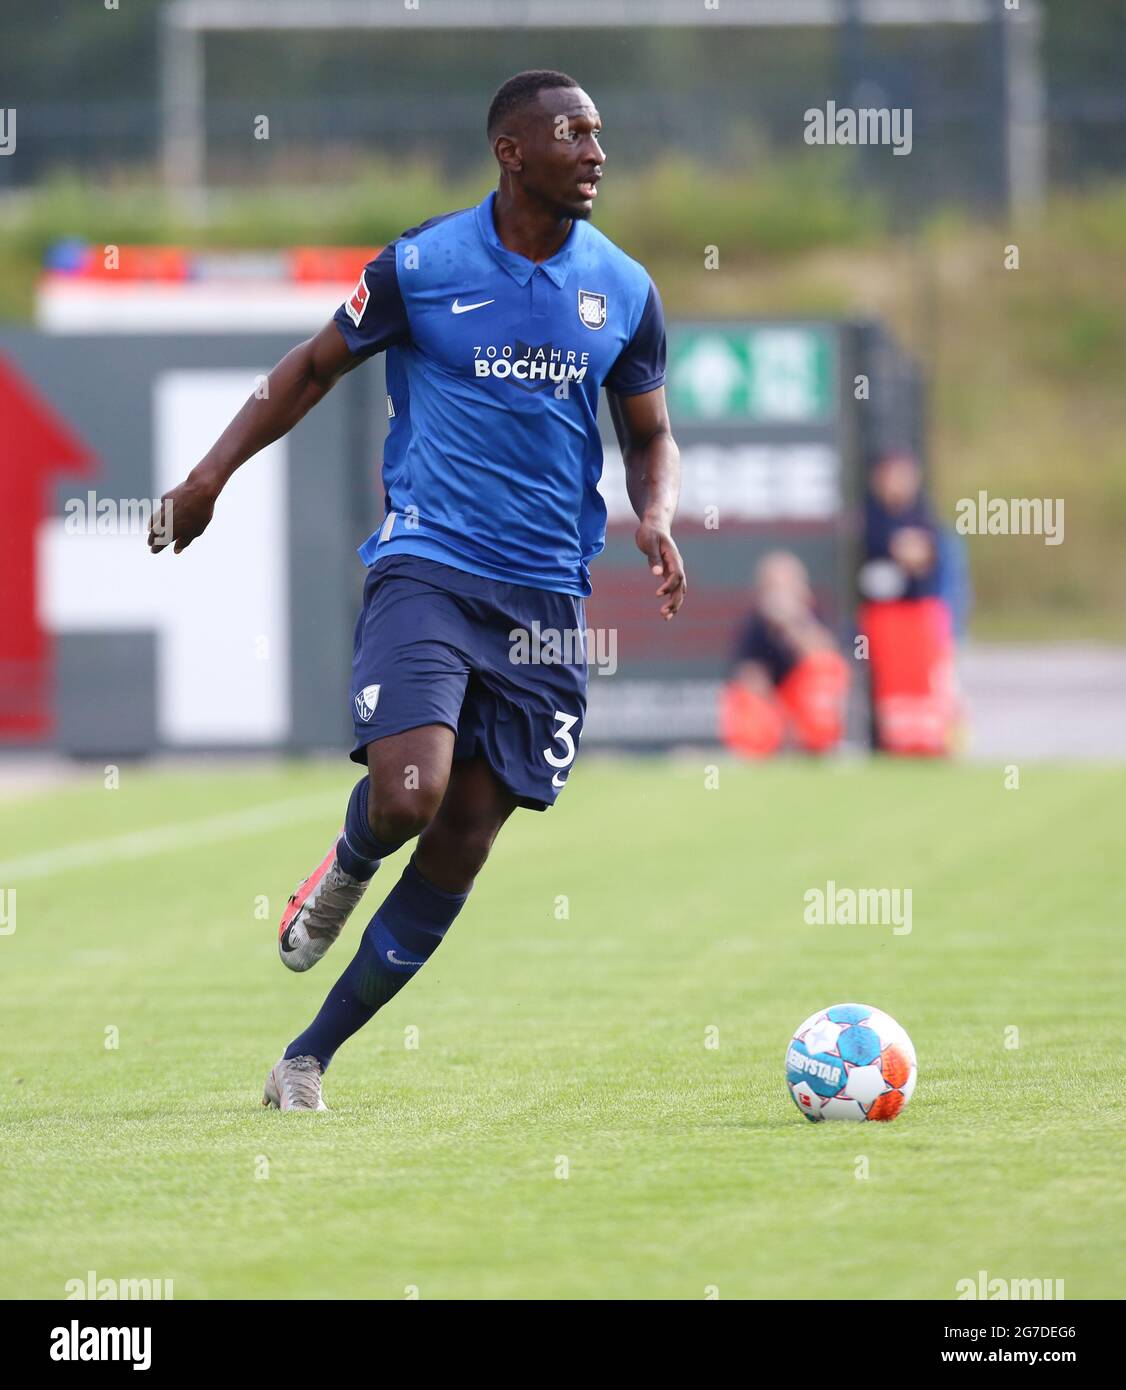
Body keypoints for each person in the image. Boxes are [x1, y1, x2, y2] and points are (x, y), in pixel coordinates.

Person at [147, 70, 686, 1110]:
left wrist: (655, 514)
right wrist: (209, 476)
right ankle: (345, 866)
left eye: (601, 132)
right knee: (407, 794)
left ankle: (306, 1057)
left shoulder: (623, 287)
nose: (596, 150)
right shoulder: (423, 264)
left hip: (546, 598)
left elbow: (650, 433)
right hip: (430, 564)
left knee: (463, 836)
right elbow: (309, 368)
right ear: (512, 151)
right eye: (573, 132)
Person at [857, 451, 956, 755]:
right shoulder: (871, 517)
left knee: (924, 682)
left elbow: (925, 555)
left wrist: (913, 552)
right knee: (889, 685)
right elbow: (890, 550)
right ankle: (891, 743)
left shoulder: (923, 514)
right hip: (885, 617)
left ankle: (928, 741)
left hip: (919, 615)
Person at [720, 551, 848, 758]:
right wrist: (780, 719)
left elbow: (826, 657)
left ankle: (820, 745)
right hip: (774, 706)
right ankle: (758, 750)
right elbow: (749, 679)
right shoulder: (755, 624)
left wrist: (794, 623)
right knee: (745, 700)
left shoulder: (811, 617)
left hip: (803, 702)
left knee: (825, 667)